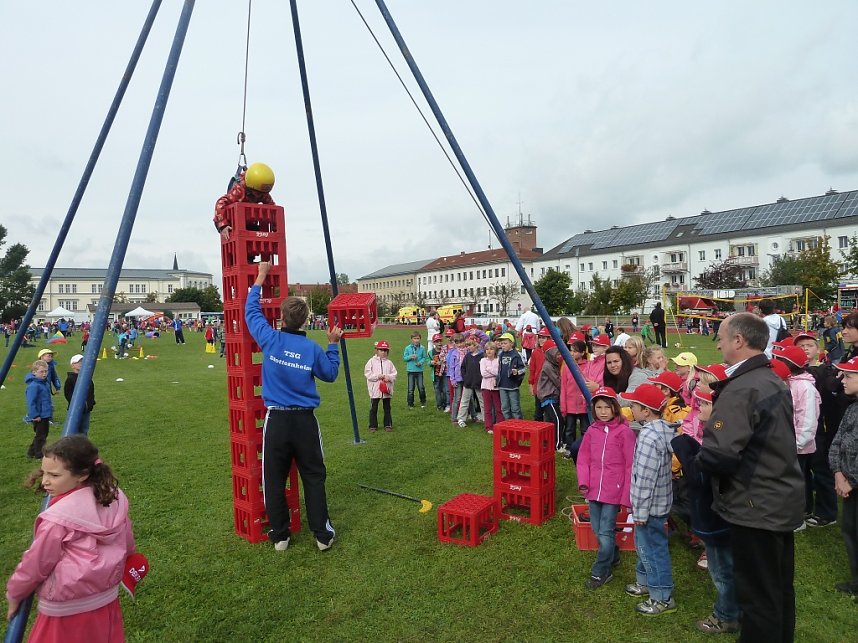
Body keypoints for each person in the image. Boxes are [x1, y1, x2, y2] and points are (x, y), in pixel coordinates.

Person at [698, 312, 803, 641]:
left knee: (757, 595)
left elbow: (720, 454)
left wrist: (691, 455)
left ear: (739, 341)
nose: (719, 345)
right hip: (776, 498)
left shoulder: (744, 388)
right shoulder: (769, 377)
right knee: (777, 589)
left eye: (721, 338)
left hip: (755, 504)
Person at [245, 261, 343, 552]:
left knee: (273, 478)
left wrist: (261, 276)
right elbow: (330, 374)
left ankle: (280, 535)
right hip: (304, 422)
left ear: (281, 318)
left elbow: (251, 311)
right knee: (313, 475)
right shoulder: (312, 347)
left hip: (276, 421)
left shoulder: (270, 339)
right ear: (305, 321)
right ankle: (322, 536)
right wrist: (334, 344)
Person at [6, 435, 137, 640]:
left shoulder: (58, 519)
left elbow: (36, 563)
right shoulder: (112, 499)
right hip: (105, 602)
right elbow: (127, 542)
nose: (45, 481)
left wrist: (15, 593)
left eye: (54, 475)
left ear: (82, 475)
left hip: (65, 613)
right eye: (44, 472)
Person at [672, 390, 740, 634]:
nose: (696, 405)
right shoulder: (712, 434)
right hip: (714, 514)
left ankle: (727, 615)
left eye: (703, 403)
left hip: (718, 516)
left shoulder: (718, 440)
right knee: (723, 565)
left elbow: (701, 476)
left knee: (722, 569)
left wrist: (681, 444)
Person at [619, 383, 676, 616]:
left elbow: (644, 479)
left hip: (649, 508)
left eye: (633, 404)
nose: (630, 407)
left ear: (645, 411)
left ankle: (662, 597)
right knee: (644, 546)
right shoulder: (663, 429)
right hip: (658, 504)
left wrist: (640, 512)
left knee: (652, 550)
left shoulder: (648, 438)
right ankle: (644, 582)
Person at [577, 387, 636, 590]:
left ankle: (601, 571)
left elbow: (630, 465)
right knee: (597, 529)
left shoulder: (625, 433)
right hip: (593, 490)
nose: (603, 411)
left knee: (605, 532)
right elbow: (583, 459)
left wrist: (626, 495)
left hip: (613, 491)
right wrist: (584, 482)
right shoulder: (592, 431)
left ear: (615, 408)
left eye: (607, 407)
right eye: (598, 407)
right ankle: (614, 555)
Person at [774, 346, 821, 532]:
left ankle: (798, 518)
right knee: (789, 482)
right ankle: (794, 512)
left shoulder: (805, 387)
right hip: (787, 444)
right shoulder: (789, 382)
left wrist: (796, 445)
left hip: (798, 448)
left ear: (791, 364)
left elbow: (808, 421)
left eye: (782, 359)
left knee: (796, 483)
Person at [797, 330, 839, 527]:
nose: (805, 349)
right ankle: (805, 507)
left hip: (819, 430)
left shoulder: (825, 370)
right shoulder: (796, 371)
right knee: (802, 471)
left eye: (809, 345)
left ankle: (827, 512)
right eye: (801, 346)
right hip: (800, 428)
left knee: (821, 470)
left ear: (818, 349)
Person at [829, 356, 858, 596]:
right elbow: (837, 440)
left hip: (853, 482)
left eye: (849, 376)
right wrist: (838, 473)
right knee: (850, 529)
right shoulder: (852, 407)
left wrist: (851, 480)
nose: (842, 380)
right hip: (847, 482)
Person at [213, 162, 276, 240]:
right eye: (258, 193)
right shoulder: (239, 191)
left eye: (263, 193)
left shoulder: (263, 193)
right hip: (232, 222)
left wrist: (275, 227)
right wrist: (223, 225)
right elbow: (220, 203)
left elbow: (273, 209)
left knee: (254, 231)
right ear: (250, 188)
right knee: (235, 232)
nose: (260, 196)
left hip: (247, 221)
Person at [365, 340, 397, 432]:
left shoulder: (389, 363)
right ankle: (372, 425)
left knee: (387, 408)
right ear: (377, 351)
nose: (383, 352)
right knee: (373, 408)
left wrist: (389, 377)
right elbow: (368, 374)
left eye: (385, 350)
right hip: (375, 389)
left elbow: (394, 374)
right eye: (381, 350)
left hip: (386, 389)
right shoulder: (371, 362)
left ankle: (388, 424)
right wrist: (378, 376)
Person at [25, 360, 53, 459]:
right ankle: (39, 454)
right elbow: (31, 402)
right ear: (34, 372)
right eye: (41, 371)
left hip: (45, 414)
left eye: (46, 371)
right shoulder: (34, 386)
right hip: (39, 416)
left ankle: (31, 452)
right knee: (41, 436)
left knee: (41, 434)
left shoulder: (43, 383)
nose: (44, 373)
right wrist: (35, 415)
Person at [64, 354, 96, 436]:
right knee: (75, 430)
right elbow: (68, 394)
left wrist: (91, 403)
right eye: (78, 362)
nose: (81, 363)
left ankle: (83, 446)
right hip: (76, 410)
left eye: (82, 361)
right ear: (72, 365)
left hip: (87, 409)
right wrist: (76, 405)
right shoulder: (70, 379)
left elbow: (91, 391)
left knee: (84, 429)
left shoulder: (86, 377)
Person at [456, 336, 484, 428]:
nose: (468, 347)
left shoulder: (482, 356)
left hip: (479, 383)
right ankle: (461, 418)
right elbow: (463, 367)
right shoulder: (467, 356)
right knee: (464, 400)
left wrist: (481, 378)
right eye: (467, 345)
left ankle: (486, 418)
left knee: (482, 401)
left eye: (470, 345)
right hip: (468, 382)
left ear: (476, 345)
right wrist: (465, 377)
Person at [497, 333, 525, 420]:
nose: (503, 345)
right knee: (504, 407)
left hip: (512, 385)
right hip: (502, 385)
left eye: (505, 343)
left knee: (515, 408)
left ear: (511, 343)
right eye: (501, 343)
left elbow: (523, 369)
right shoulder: (501, 354)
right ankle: (508, 425)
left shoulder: (516, 355)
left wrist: (517, 372)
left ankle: (518, 425)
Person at [479, 341, 504, 434]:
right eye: (487, 349)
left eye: (491, 349)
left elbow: (499, 373)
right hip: (485, 387)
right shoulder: (483, 361)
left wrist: (489, 369)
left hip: (496, 388)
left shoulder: (498, 360)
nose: (489, 351)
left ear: (495, 350)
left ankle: (500, 425)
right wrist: (493, 372)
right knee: (487, 409)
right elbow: (483, 374)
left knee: (498, 408)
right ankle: (488, 427)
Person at [402, 332, 427, 409]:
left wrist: (420, 362)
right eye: (415, 338)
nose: (416, 340)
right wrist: (410, 356)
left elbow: (424, 357)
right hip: (411, 371)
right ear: (412, 339)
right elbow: (404, 358)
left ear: (420, 339)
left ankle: (423, 401)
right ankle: (410, 403)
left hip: (419, 370)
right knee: (410, 388)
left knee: (421, 387)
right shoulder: (408, 348)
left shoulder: (422, 348)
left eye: (418, 338)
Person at [429, 334, 448, 411]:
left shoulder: (445, 350)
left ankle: (445, 404)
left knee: (444, 389)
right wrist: (431, 362)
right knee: (437, 389)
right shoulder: (431, 352)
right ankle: (439, 405)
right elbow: (428, 360)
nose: (439, 343)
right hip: (435, 374)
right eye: (437, 341)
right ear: (434, 343)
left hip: (444, 373)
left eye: (440, 341)